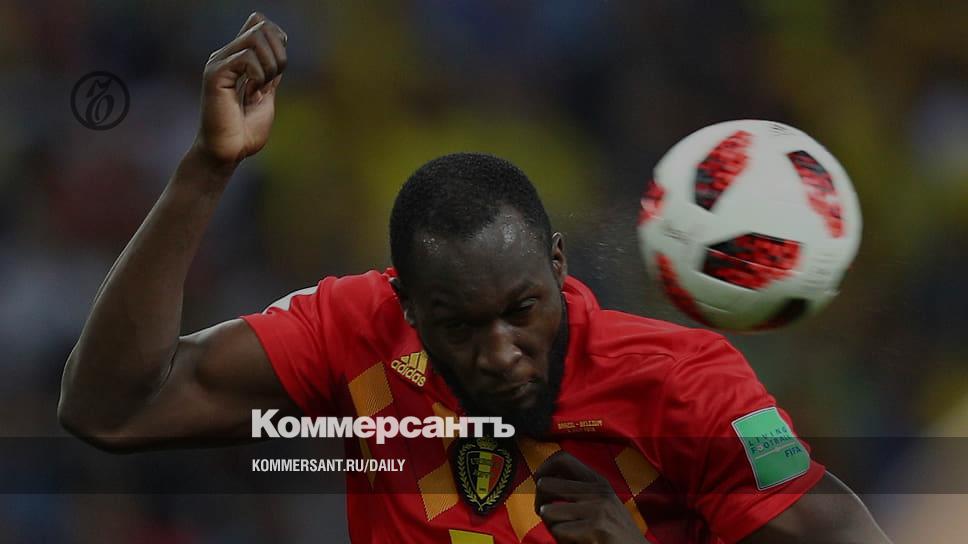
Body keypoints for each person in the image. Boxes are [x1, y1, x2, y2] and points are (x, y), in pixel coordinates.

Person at [58, 13, 890, 544]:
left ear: (558, 265)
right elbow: (111, 409)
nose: (499, 351)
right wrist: (207, 169)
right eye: (460, 325)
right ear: (408, 306)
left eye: (523, 309)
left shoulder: (688, 389)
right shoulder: (357, 331)